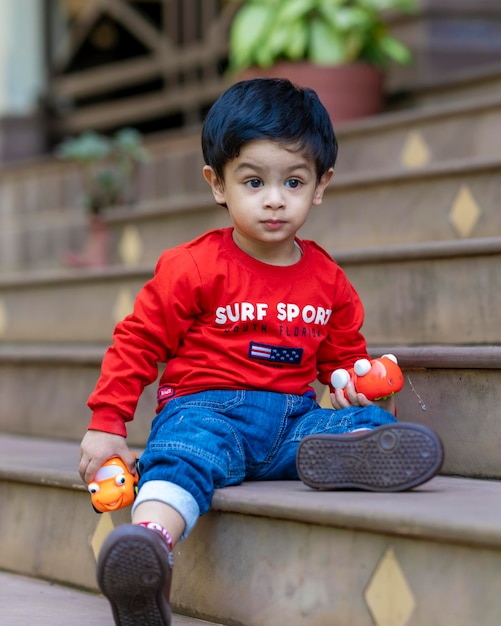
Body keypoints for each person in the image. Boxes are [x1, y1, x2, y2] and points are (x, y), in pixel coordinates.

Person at [79, 78, 443, 626]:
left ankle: (357, 451)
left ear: (321, 185)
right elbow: (138, 342)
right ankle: (149, 548)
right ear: (217, 184)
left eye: (293, 181)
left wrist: (350, 383)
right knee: (179, 460)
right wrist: (108, 422)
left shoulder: (329, 281)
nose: (275, 199)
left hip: (291, 421)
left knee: (360, 419)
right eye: (253, 181)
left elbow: (344, 357)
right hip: (205, 411)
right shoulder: (194, 267)